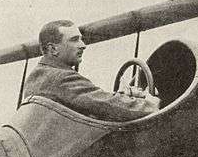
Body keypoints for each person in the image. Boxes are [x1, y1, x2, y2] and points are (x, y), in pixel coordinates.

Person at [23, 20, 160, 121]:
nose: (83, 45)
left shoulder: (36, 76)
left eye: (81, 39)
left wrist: (121, 96)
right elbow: (105, 104)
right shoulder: (61, 78)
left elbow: (89, 102)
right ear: (53, 49)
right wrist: (150, 104)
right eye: (74, 40)